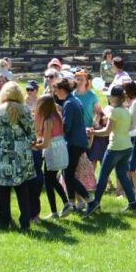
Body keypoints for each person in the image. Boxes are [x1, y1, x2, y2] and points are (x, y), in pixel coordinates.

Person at [84, 85, 136, 215]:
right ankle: (133, 203)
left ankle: (95, 203)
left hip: (115, 147)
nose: (108, 97)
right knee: (122, 175)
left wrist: (93, 132)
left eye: (110, 95)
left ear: (115, 97)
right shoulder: (126, 110)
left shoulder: (114, 112)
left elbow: (107, 131)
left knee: (103, 176)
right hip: (126, 147)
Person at [0, 82, 36, 230]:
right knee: (23, 191)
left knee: (3, 191)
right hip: (22, 155)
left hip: (4, 155)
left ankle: (4, 223)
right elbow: (32, 135)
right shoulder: (26, 110)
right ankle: (25, 223)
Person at [54, 77, 93, 211]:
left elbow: (66, 127)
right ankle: (72, 202)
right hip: (78, 141)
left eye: (55, 89)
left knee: (68, 174)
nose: (54, 92)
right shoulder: (73, 100)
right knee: (67, 173)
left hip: (74, 143)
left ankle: (90, 201)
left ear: (61, 89)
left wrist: (56, 121)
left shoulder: (69, 103)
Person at [33, 93, 70, 219]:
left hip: (52, 150)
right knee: (50, 181)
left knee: (50, 180)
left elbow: (46, 143)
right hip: (60, 147)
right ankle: (57, 210)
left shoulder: (48, 120)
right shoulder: (56, 116)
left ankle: (65, 203)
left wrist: (34, 146)